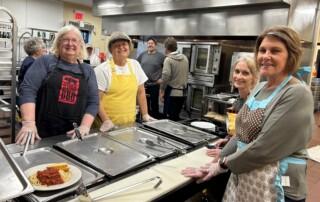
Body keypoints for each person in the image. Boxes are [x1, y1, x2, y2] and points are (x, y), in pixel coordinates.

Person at [182, 26, 314, 202]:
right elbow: (241, 134)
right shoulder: (260, 88)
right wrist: (216, 161)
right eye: (262, 50)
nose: (266, 56)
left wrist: (222, 165)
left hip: (278, 185)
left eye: (275, 51)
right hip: (247, 178)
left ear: (291, 55)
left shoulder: (297, 93)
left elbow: (265, 148)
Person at [16, 25, 99, 145]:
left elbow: (93, 101)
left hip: (73, 135)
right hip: (41, 132)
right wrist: (28, 123)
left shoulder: (88, 70)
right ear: (58, 43)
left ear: (81, 45)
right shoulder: (45, 61)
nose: (70, 43)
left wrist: (85, 126)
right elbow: (28, 89)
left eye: (74, 40)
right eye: (65, 39)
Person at [204, 56, 259, 202]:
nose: (239, 76)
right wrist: (227, 139)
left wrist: (222, 155)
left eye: (245, 73)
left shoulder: (254, 102)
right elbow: (237, 131)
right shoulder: (239, 100)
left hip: (244, 164)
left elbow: (246, 138)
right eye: (237, 71)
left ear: (254, 78)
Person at [94, 31, 155, 132]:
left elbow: (141, 92)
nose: (121, 47)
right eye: (117, 45)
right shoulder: (102, 70)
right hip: (106, 125)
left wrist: (145, 114)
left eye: (124, 44)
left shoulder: (135, 65)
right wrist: (106, 120)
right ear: (111, 50)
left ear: (129, 47)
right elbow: (96, 100)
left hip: (128, 124)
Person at [157, 37, 188, 121]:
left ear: (166, 48)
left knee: (168, 120)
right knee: (176, 118)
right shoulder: (185, 58)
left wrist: (162, 90)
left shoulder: (168, 59)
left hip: (172, 93)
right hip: (183, 94)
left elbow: (166, 76)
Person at [137, 37, 165, 119]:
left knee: (154, 105)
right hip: (143, 84)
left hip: (154, 84)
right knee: (144, 103)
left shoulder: (161, 56)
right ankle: (145, 120)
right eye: (148, 43)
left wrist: (162, 78)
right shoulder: (143, 55)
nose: (150, 45)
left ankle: (155, 122)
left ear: (155, 45)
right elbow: (137, 66)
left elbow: (167, 69)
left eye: (152, 43)